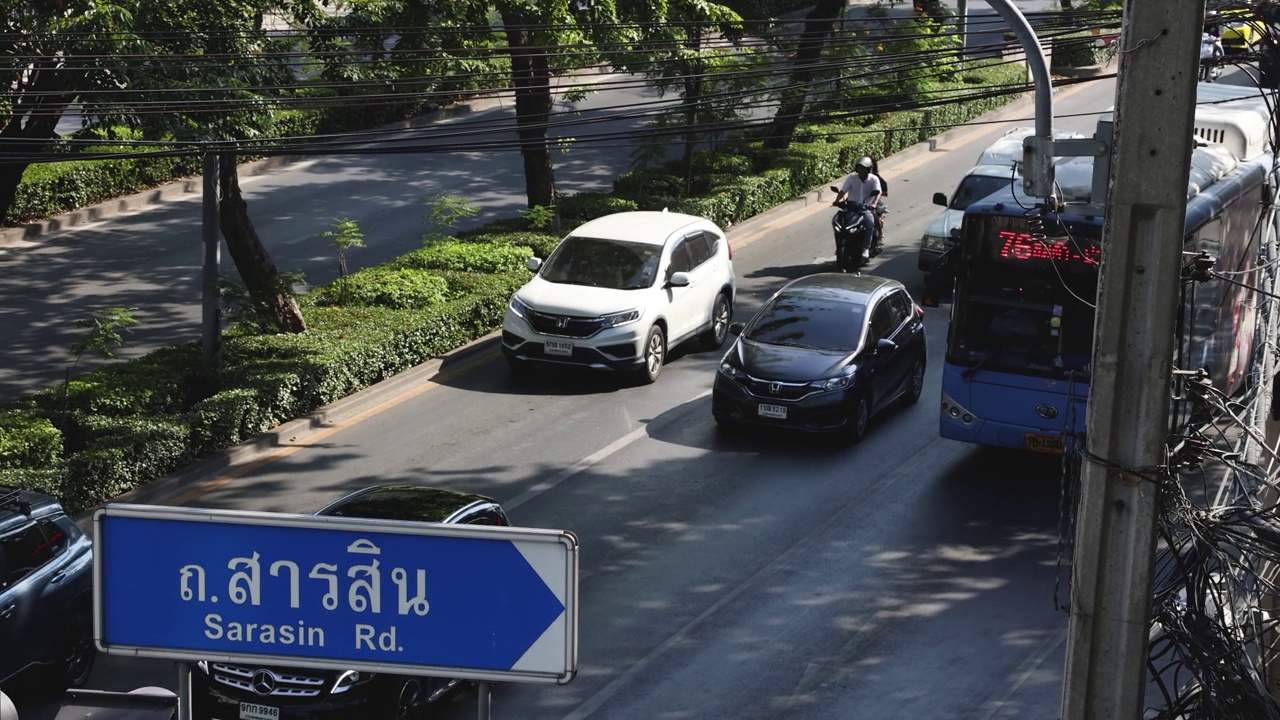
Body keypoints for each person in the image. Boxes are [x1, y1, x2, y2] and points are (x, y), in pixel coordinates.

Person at [834, 156, 882, 259]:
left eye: (863, 168)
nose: (861, 170)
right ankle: (840, 244)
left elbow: (878, 193)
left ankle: (865, 247)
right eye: (859, 167)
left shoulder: (874, 179)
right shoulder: (852, 178)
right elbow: (843, 191)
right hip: (851, 207)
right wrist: (837, 201)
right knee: (838, 220)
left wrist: (874, 203)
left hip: (866, 208)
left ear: (868, 169)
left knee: (870, 221)